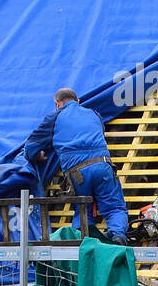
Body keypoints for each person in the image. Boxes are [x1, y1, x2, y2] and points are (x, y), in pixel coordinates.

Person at [24, 88, 129, 245]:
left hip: (77, 173)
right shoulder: (94, 114)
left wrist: (38, 155)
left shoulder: (55, 117)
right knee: (114, 208)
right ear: (78, 101)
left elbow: (31, 146)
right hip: (102, 165)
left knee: (82, 210)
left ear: (57, 104)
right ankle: (118, 236)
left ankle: (83, 243)